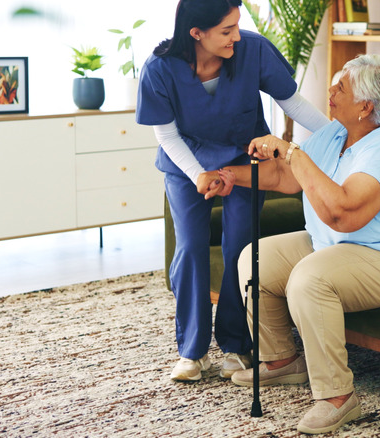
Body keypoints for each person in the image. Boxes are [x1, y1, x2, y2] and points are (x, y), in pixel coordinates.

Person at [201, 54, 380, 434]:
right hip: (333, 246)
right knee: (255, 257)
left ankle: (337, 398)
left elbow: (342, 214)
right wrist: (229, 176)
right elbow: (286, 175)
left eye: (340, 87)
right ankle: (282, 361)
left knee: (310, 279)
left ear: (366, 107)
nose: (330, 91)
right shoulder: (334, 134)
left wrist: (292, 151)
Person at [135, 0, 329, 382]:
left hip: (243, 162)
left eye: (237, 26)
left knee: (241, 249)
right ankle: (191, 352)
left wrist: (341, 140)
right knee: (190, 247)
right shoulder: (158, 69)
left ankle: (234, 344)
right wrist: (198, 175)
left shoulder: (252, 50)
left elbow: (293, 104)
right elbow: (168, 136)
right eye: (227, 30)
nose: (236, 36)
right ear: (196, 33)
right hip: (186, 165)